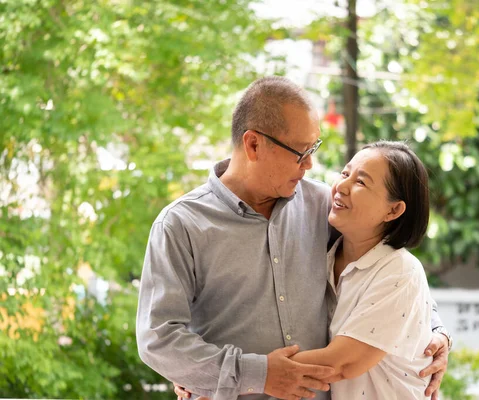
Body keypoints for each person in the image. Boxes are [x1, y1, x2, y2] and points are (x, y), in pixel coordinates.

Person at [136, 76, 451, 400]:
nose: (311, 164)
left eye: (313, 149)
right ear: (254, 144)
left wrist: (436, 331)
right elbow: (159, 339)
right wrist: (230, 375)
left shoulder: (325, 206)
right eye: (300, 152)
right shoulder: (180, 225)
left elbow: (386, 269)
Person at [289, 141, 438, 399]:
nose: (341, 186)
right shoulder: (323, 257)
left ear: (393, 210)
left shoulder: (400, 271)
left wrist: (236, 374)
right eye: (345, 173)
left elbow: (338, 364)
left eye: (361, 182)